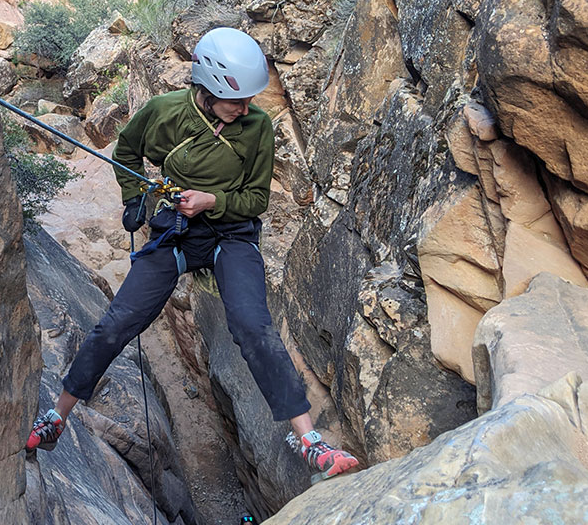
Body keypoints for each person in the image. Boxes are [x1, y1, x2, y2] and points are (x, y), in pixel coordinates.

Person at [24, 27, 359, 484]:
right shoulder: (164, 114)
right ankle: (58, 414)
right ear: (207, 89)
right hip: (178, 232)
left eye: (247, 102)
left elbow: (256, 199)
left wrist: (211, 201)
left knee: (252, 325)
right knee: (120, 321)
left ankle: (308, 438)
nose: (245, 110)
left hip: (231, 233)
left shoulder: (256, 127)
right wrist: (133, 197)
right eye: (234, 102)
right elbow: (129, 150)